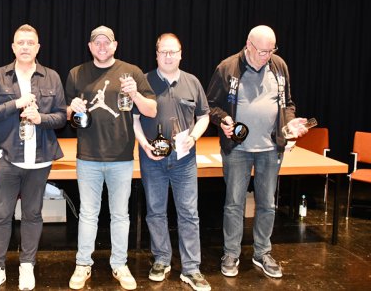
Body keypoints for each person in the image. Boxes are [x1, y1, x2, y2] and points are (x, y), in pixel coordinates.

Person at [206, 25, 311, 279]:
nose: (267, 56)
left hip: (271, 149)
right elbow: (210, 105)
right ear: (248, 45)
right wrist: (223, 120)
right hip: (237, 149)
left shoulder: (279, 66)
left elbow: (287, 103)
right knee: (234, 203)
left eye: (271, 50)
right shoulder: (228, 68)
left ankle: (262, 252)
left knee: (267, 204)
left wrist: (290, 122)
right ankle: (231, 253)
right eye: (262, 51)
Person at [65, 25, 157, 291]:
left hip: (121, 157)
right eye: (97, 42)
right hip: (88, 157)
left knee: (120, 215)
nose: (102, 46)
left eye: (107, 42)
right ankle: (83, 264)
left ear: (115, 45)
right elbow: (67, 114)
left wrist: (135, 93)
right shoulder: (76, 73)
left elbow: (151, 110)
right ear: (90, 46)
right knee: (88, 214)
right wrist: (72, 108)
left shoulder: (132, 72)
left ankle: (119, 264)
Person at [0, 24, 67, 291]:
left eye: (30, 42)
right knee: (0, 215)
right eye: (21, 42)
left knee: (33, 214)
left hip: (40, 159)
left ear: (38, 48)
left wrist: (41, 118)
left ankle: (27, 265)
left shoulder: (52, 77)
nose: (26, 47)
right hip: (6, 157)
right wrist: (14, 104)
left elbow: (61, 117)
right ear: (13, 47)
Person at [132, 33, 211, 291]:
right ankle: (161, 259)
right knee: (155, 211)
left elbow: (204, 117)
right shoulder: (144, 82)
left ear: (180, 54)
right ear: (156, 54)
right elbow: (134, 119)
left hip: (184, 161)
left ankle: (191, 268)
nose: (168, 56)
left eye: (172, 51)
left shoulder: (192, 82)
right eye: (163, 52)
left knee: (188, 212)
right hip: (152, 159)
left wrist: (194, 137)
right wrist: (144, 145)